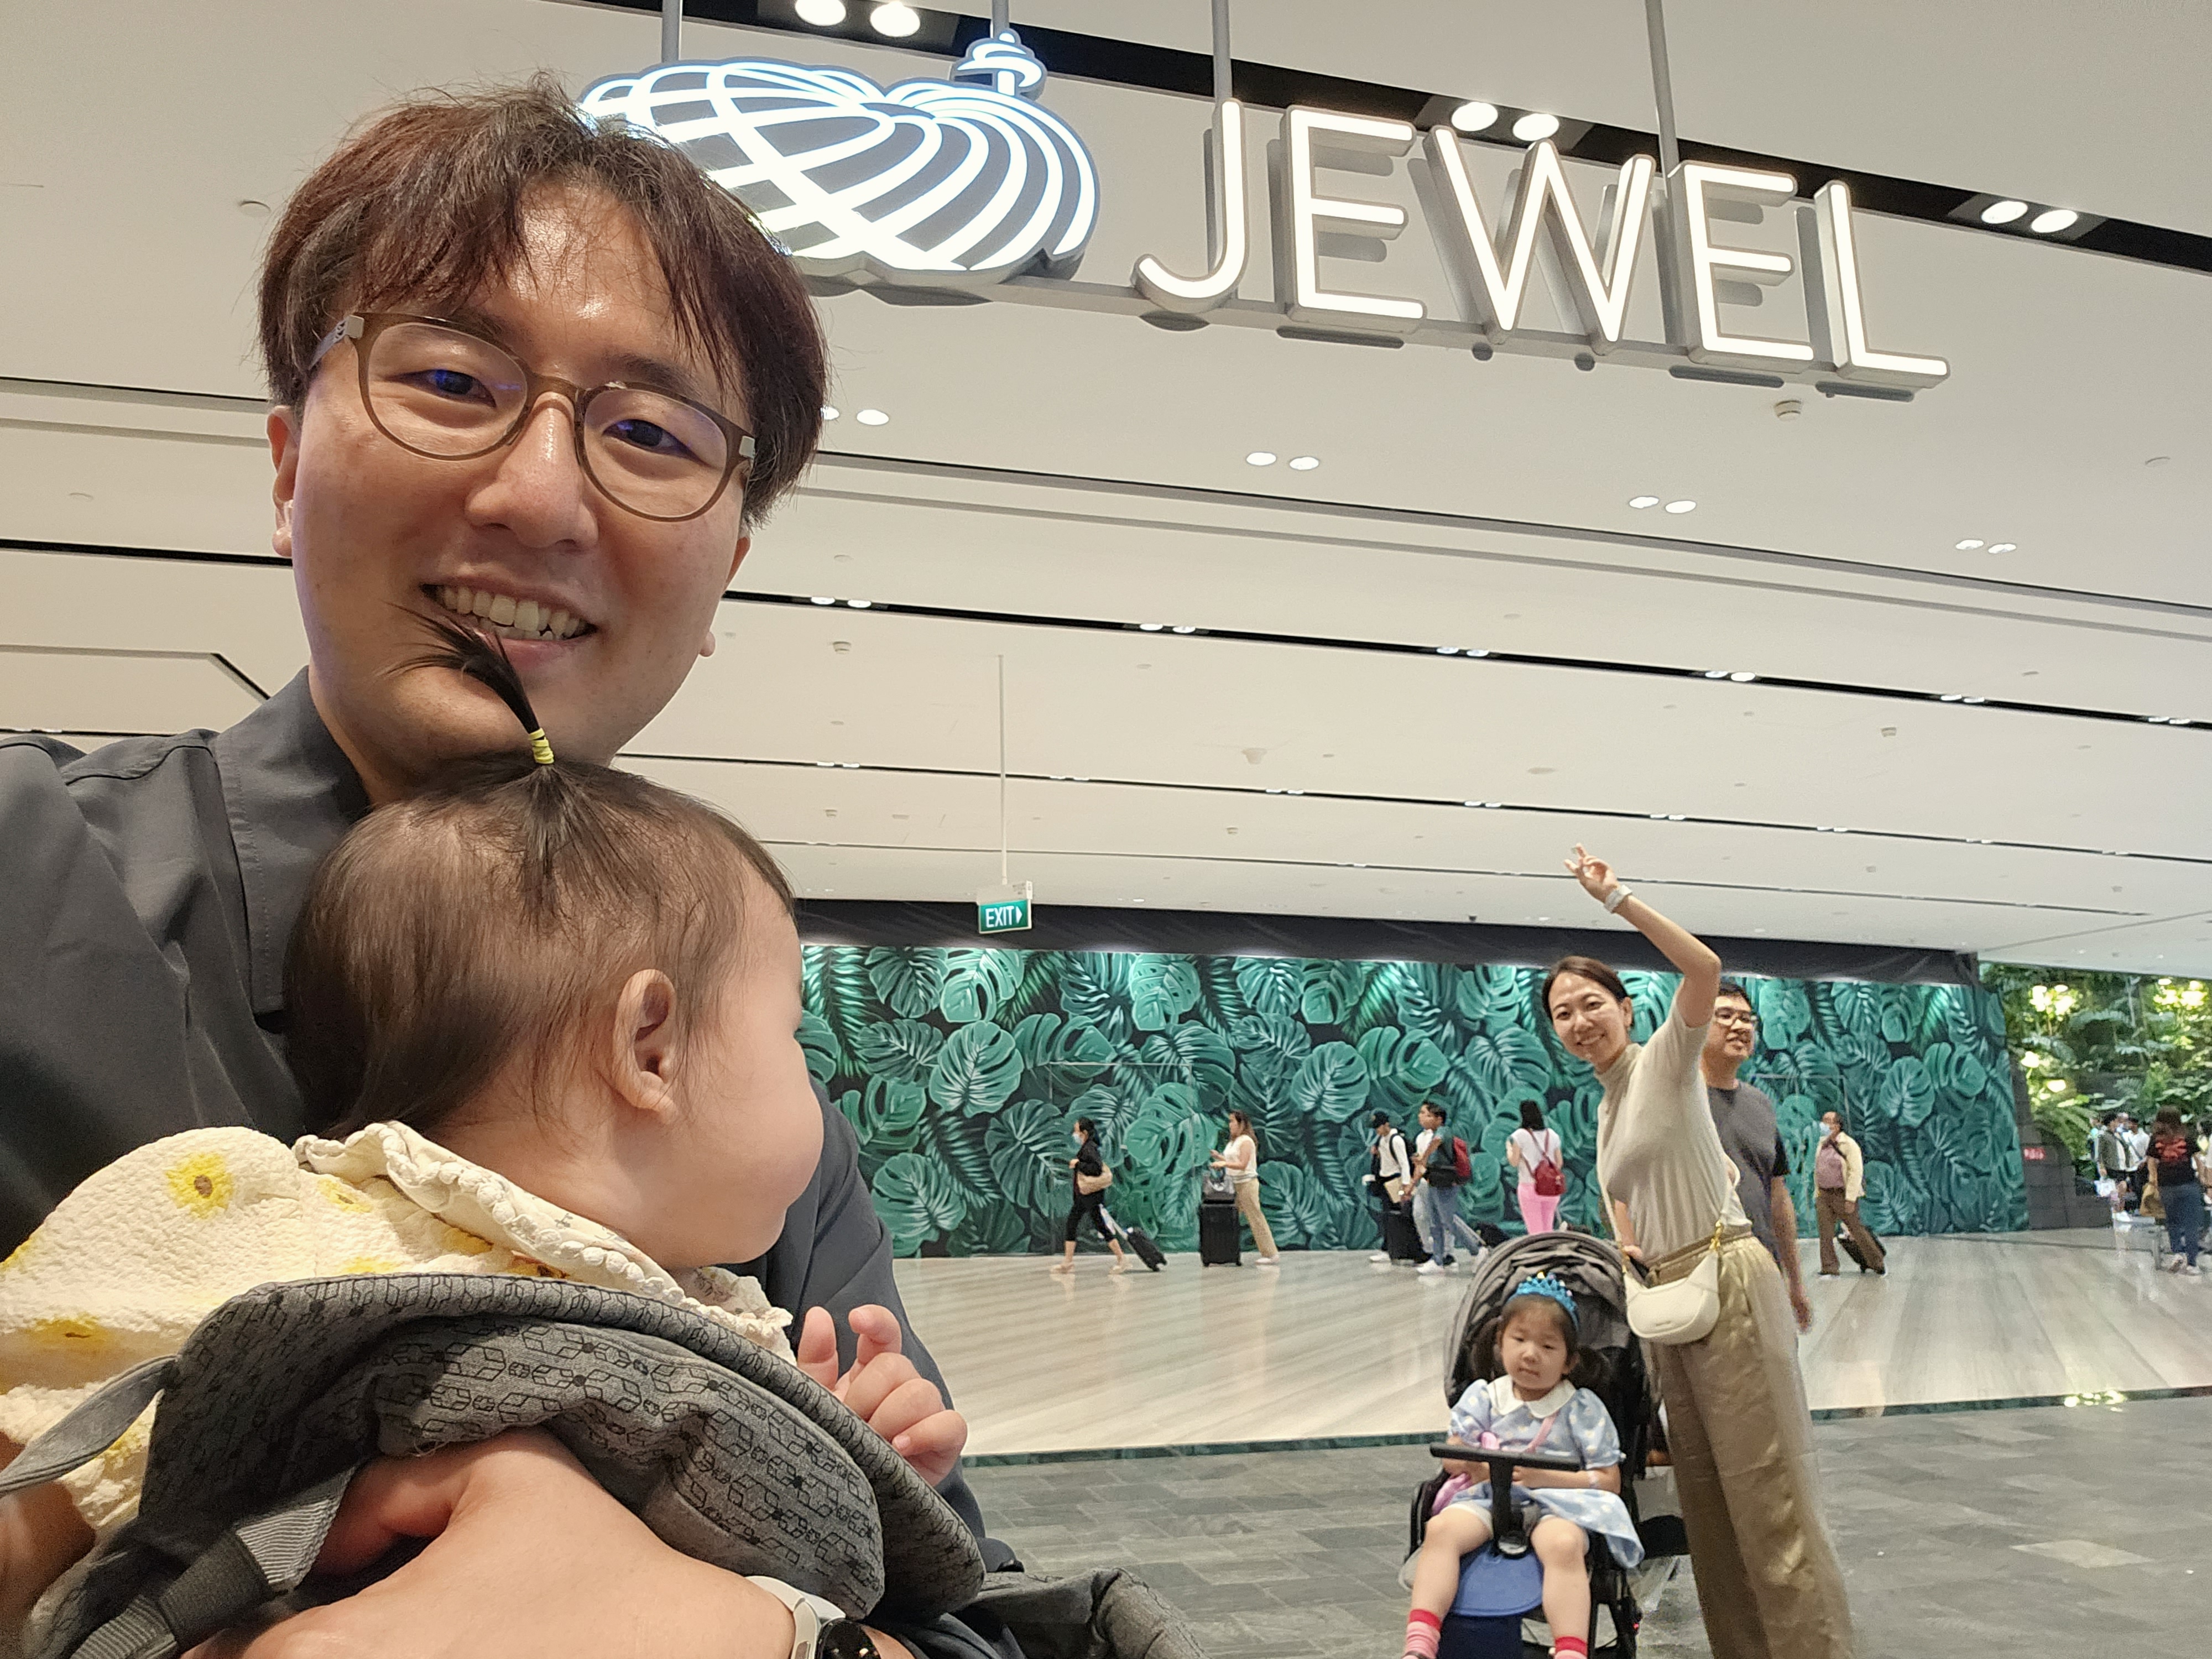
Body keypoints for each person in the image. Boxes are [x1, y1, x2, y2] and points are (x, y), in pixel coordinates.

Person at [0, 79, 1006, 1655]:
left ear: (728, 565)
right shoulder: (24, 879)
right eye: (451, 380)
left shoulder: (735, 1068)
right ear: (287, 464)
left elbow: (962, 1602)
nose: (540, 494)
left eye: (652, 434)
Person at [0, 629, 960, 1659]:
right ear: (650, 1048)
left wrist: (841, 1444)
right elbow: (70, 1433)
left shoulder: (715, 1309)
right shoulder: (311, 1239)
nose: (815, 1091)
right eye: (794, 1037)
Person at [1553, 844, 1851, 1658]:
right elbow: (1633, 1183)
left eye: (1591, 1004)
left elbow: (1704, 969)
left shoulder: (1664, 1059)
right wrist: (1626, 1237)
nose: (1580, 1022)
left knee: (1769, 1494)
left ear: (1624, 1007)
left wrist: (1616, 899)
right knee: (1710, 1503)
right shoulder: (1607, 1102)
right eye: (1563, 1014)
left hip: (1725, 1283)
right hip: (1670, 1302)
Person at [1401, 1275, 1641, 1659]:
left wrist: (1544, 1478)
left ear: (1569, 1361)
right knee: (1442, 1530)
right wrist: (1475, 1461)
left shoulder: (1581, 1408)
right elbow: (1453, 1457)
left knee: (1563, 1545)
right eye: (1520, 1340)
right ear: (1500, 1344)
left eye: (1548, 1346)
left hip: (1560, 1504)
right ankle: (1422, 1640)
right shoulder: (1484, 1397)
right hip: (1488, 1497)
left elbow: (1609, 1480)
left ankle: (1571, 1650)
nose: (1531, 1354)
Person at [1700, 983, 1813, 1329]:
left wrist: (1795, 1281)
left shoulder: (1761, 1104)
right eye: (1725, 1016)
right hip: (1701, 1279)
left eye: (1747, 1019)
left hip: (1763, 1271)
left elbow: (1778, 1197)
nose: (1740, 1026)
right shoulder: (1678, 1102)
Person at [1410, 1102, 1484, 1276]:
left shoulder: (1444, 1131)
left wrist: (1424, 1158)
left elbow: (1437, 1142)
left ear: (1438, 1119)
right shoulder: (1424, 1136)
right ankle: (1438, 1260)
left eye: (1427, 1114)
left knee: (1448, 1220)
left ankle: (1476, 1249)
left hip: (1445, 1183)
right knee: (1435, 1223)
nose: (1422, 1117)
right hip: (1433, 1181)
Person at [1052, 1117, 1128, 1276]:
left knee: (1098, 1226)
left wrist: (1078, 1164)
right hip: (1084, 1196)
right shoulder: (1088, 1147)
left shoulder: (1089, 1148)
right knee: (1073, 1224)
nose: (1074, 1134)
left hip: (1089, 1197)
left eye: (1076, 1130)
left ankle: (1122, 1259)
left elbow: (1096, 1169)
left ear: (1084, 1133)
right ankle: (1068, 1262)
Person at [1813, 1113, 1886, 1276]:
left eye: (1828, 1121)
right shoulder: (1822, 1144)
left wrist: (1851, 1198)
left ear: (1838, 1126)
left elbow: (1856, 1172)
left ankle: (1876, 1262)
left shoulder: (1849, 1144)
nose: (1824, 1124)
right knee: (1825, 1233)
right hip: (1824, 1194)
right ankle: (1829, 1267)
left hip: (1842, 1194)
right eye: (1823, 1121)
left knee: (1856, 1229)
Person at [1209, 1110, 1279, 1267]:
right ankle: (1223, 1254)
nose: (1230, 1125)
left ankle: (1271, 1253)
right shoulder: (1233, 1142)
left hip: (1247, 1184)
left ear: (1241, 1124)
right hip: (1234, 1184)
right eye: (1230, 1121)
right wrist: (1219, 1157)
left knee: (1255, 1217)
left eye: (1233, 1121)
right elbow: (1233, 1159)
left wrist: (1224, 1164)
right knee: (1229, 1218)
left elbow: (1242, 1164)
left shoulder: (1246, 1141)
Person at [2146, 1109, 2203, 1276]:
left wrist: (2154, 1182)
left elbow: (2152, 1163)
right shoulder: (2187, 1137)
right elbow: (2199, 1161)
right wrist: (2205, 1182)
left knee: (2173, 1222)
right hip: (2188, 1183)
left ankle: (2178, 1253)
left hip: (2167, 1187)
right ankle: (2192, 1264)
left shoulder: (2156, 1139)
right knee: (2191, 1224)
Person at [1505, 1100, 1567, 1235]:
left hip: (1530, 1188)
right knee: (1548, 1230)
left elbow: (1514, 1162)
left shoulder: (1519, 1135)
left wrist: (1509, 1149)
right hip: (1551, 1189)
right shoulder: (1552, 1135)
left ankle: (1543, 1250)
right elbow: (1559, 1163)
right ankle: (1550, 1249)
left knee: (1535, 1233)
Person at [1365, 1110, 1417, 1264]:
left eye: (1378, 1127)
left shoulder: (1396, 1140)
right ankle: (1389, 1249)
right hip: (1386, 1182)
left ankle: (1399, 1250)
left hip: (1396, 1182)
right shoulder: (1382, 1140)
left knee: (1399, 1216)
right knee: (1389, 1217)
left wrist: (1406, 1187)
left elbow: (1404, 1164)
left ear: (1386, 1125)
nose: (1377, 1131)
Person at [2091, 1110, 2132, 1216]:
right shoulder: (2103, 1135)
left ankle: (2120, 1210)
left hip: (2122, 1165)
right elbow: (2099, 1153)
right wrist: (2101, 1166)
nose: (2118, 1123)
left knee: (2123, 1187)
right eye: (2116, 1121)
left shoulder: (2117, 1135)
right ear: (2111, 1122)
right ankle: (2115, 1210)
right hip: (2111, 1166)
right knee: (2115, 1189)